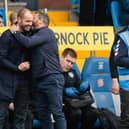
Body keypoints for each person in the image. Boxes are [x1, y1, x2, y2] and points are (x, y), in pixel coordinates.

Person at [10, 10, 67, 129]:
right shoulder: (35, 33)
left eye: (33, 18)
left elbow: (28, 43)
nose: (31, 20)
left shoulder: (46, 32)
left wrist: (15, 31)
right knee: (43, 113)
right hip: (40, 80)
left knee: (57, 113)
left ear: (40, 20)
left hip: (51, 78)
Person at [0, 8, 33, 129]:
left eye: (31, 21)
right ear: (19, 20)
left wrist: (29, 63)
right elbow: (1, 58)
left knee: (21, 118)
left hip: (23, 82)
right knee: (1, 117)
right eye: (27, 21)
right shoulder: (7, 35)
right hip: (5, 82)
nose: (30, 23)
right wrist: (17, 67)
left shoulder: (31, 34)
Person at [60, 48, 97, 129]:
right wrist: (63, 92)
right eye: (68, 61)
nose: (69, 64)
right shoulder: (54, 72)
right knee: (76, 113)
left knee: (93, 112)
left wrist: (86, 87)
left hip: (75, 102)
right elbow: (50, 90)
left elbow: (79, 87)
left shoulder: (73, 72)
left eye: (72, 63)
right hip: (62, 104)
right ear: (62, 57)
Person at [109, 26, 129, 129]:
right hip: (127, 86)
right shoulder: (123, 36)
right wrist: (114, 79)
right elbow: (115, 59)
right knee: (126, 121)